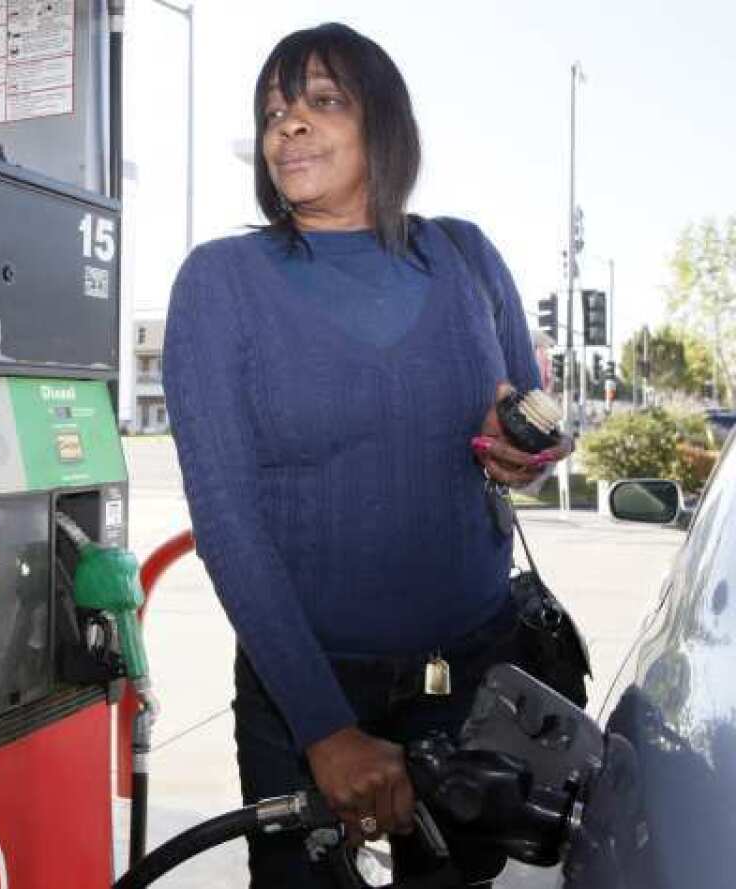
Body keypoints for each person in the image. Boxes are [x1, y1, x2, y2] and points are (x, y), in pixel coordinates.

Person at [162, 22, 573, 889]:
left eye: (321, 101)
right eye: (275, 111)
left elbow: (517, 419)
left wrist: (528, 452)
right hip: (304, 693)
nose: (289, 126)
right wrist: (324, 728)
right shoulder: (221, 281)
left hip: (472, 683)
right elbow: (227, 521)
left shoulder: (464, 254)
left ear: (384, 125)